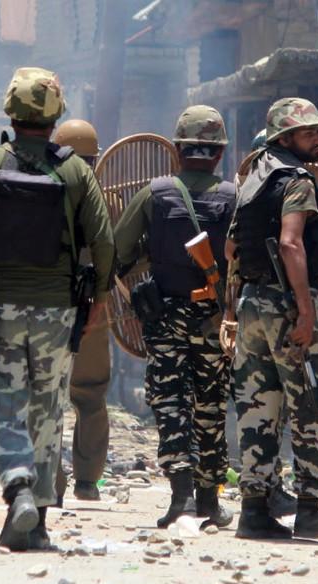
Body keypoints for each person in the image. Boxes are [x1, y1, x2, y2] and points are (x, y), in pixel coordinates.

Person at [0, 68, 114, 550]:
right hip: (58, 311)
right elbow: (103, 243)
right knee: (47, 410)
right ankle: (36, 521)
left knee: (3, 402)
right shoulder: (76, 171)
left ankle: (16, 483)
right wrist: (100, 301)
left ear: (10, 113)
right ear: (55, 116)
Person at [226, 97, 318, 539]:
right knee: (310, 401)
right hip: (288, 303)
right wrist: (306, 308)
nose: (317, 137)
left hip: (254, 302)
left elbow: (231, 248)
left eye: (317, 130)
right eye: (307, 132)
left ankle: (254, 509)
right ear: (284, 137)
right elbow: (292, 244)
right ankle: (311, 507)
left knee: (258, 405)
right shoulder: (297, 179)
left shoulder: (253, 179)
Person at [114, 105, 234, 529]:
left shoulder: (155, 192)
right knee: (212, 404)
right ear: (219, 154)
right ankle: (209, 501)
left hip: (165, 316)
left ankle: (180, 494)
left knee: (169, 402)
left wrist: (151, 253)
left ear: (178, 150)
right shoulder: (233, 198)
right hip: (214, 318)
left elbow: (117, 252)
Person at [52, 119, 111, 502]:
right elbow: (114, 250)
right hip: (93, 307)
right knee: (89, 395)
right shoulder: (105, 199)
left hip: (49, 305)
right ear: (95, 158)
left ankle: (50, 484)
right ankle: (87, 481)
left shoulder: (41, 193)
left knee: (46, 395)